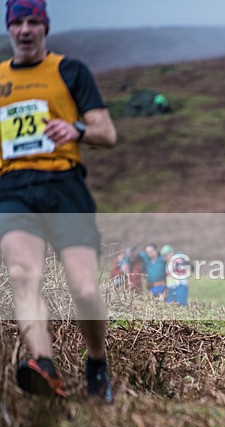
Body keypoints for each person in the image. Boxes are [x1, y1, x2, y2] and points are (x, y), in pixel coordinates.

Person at [0, 0, 117, 401]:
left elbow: (107, 133)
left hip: (64, 184)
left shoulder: (71, 71)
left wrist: (76, 128)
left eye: (33, 21)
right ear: (9, 28)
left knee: (84, 288)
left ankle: (97, 363)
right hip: (12, 188)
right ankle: (44, 365)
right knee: (22, 273)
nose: (25, 30)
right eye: (18, 22)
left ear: (45, 27)